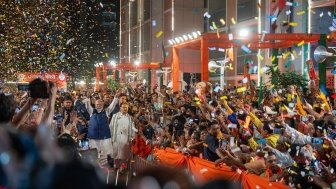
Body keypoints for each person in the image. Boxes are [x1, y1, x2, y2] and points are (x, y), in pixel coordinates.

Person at [109, 102, 136, 171]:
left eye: (126, 107)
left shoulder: (130, 118)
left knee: (124, 155)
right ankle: (116, 166)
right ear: (120, 108)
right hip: (116, 138)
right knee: (116, 154)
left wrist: (132, 138)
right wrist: (110, 138)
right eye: (123, 107)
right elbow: (111, 127)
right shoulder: (115, 116)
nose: (125, 109)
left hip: (125, 139)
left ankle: (122, 168)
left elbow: (133, 128)